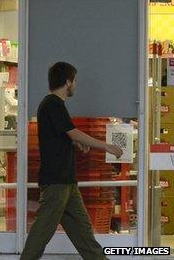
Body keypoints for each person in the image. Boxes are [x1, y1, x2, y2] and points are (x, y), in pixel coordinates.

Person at [20, 62, 123, 260]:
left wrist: (75, 143)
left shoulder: (54, 105)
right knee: (42, 232)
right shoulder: (52, 104)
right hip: (57, 182)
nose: (75, 85)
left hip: (67, 181)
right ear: (68, 82)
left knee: (83, 233)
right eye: (74, 81)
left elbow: (61, 135)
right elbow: (73, 132)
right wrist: (106, 146)